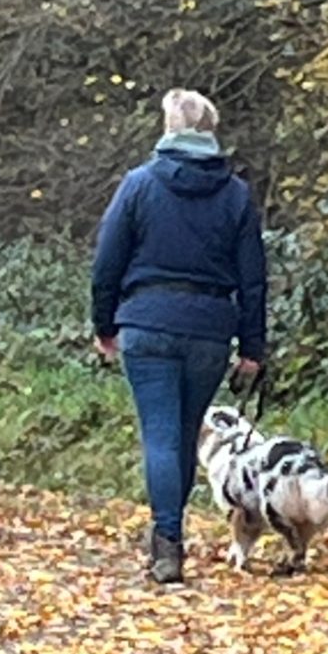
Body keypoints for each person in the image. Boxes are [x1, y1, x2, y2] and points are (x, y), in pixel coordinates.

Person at [92, 88, 267, 585]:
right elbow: (253, 277)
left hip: (146, 322)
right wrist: (252, 348)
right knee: (185, 436)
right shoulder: (235, 195)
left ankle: (167, 543)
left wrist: (104, 325)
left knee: (162, 437)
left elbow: (107, 262)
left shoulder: (139, 185)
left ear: (169, 129)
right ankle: (169, 536)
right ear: (210, 131)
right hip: (210, 330)